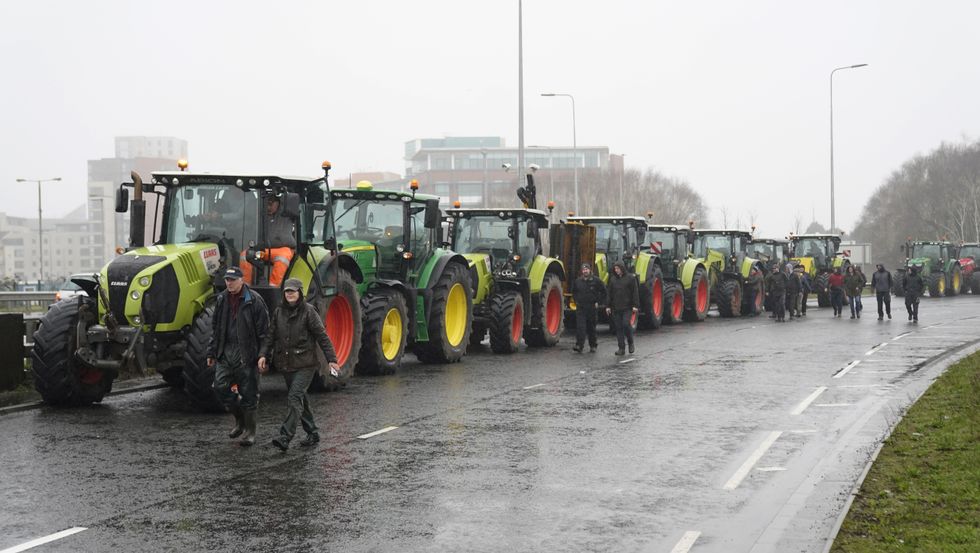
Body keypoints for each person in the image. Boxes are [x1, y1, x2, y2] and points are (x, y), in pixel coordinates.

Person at [259, 278, 340, 451]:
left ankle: (285, 436)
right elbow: (270, 336)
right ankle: (312, 432)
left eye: (293, 291)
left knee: (294, 396)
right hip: (286, 364)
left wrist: (332, 360)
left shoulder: (309, 312)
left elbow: (322, 337)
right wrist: (263, 355)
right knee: (301, 398)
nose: (289, 294)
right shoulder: (278, 312)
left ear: (300, 293)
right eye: (287, 291)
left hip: (306, 364)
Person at [207, 266, 270, 446]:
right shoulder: (221, 299)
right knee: (219, 387)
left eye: (233, 280)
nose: (229, 283)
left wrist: (263, 355)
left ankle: (250, 431)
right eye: (227, 280)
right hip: (226, 350)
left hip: (247, 352)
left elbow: (265, 333)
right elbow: (216, 329)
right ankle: (240, 420)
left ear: (242, 280)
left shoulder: (255, 301)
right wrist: (212, 352)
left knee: (249, 392)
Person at [241, 195, 297, 287]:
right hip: (263, 249)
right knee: (245, 254)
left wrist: (277, 191)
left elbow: (289, 202)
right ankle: (244, 287)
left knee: (283, 257)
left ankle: (273, 288)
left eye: (271, 204)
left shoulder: (286, 214)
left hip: (282, 249)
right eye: (266, 204)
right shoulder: (260, 215)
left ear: (278, 203)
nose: (268, 207)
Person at [605, 261, 639, 356]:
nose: (616, 271)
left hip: (627, 307)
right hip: (616, 307)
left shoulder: (630, 278)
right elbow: (609, 293)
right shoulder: (612, 280)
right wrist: (608, 306)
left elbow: (635, 293)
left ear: (622, 268)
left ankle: (630, 342)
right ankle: (621, 348)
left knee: (625, 324)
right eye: (615, 269)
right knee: (618, 327)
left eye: (618, 269)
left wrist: (635, 306)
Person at [571, 263, 605, 353]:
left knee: (591, 327)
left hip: (592, 307)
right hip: (581, 307)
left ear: (590, 270)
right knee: (580, 327)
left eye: (586, 269)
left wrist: (599, 302)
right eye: (583, 270)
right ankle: (579, 345)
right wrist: (576, 301)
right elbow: (574, 292)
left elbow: (604, 291)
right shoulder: (578, 281)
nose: (585, 271)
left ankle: (593, 345)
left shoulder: (596, 280)